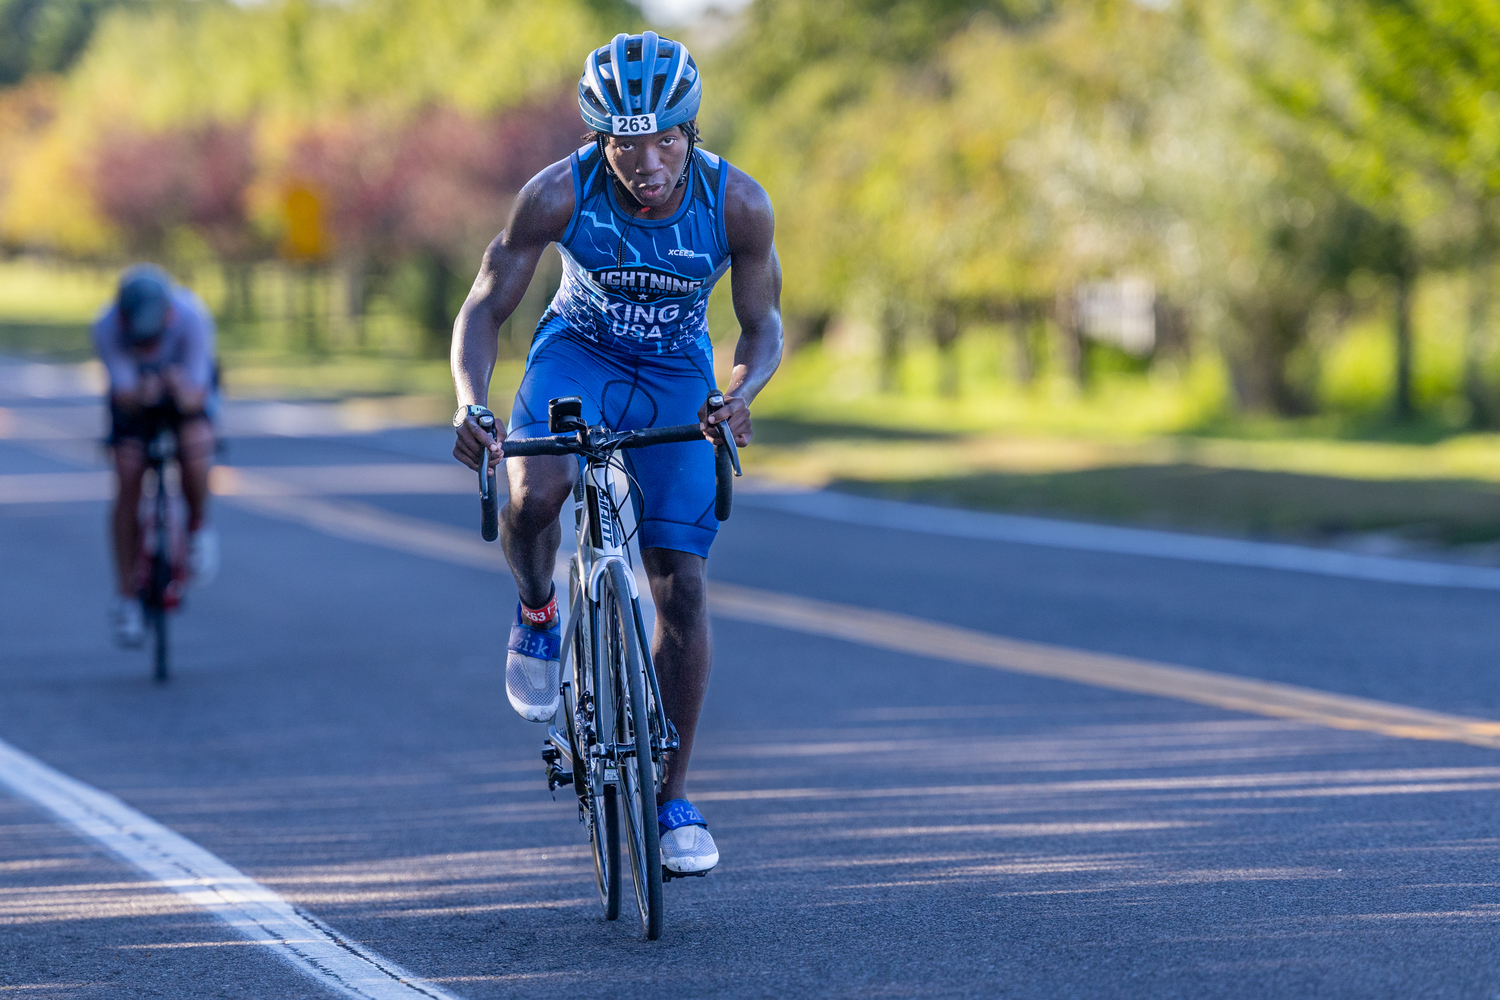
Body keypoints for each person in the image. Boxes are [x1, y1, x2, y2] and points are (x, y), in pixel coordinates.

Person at [451, 32, 782, 877]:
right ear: (601, 139)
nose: (649, 161)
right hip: (579, 356)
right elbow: (485, 308)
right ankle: (537, 616)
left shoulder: (736, 203)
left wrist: (741, 391)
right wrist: (471, 403)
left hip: (677, 372)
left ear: (691, 130)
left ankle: (672, 798)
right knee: (534, 494)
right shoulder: (557, 194)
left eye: (665, 138)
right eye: (627, 143)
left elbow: (763, 325)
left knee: (681, 576)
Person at [93, 264, 220, 647]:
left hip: (185, 393)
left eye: (153, 341)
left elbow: (198, 392)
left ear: (169, 319)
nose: (147, 349)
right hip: (134, 400)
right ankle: (127, 598)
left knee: (195, 447)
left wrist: (178, 391)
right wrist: (142, 393)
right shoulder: (105, 326)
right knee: (128, 475)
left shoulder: (194, 317)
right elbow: (122, 391)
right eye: (140, 343)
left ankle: (199, 527)